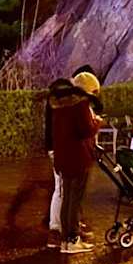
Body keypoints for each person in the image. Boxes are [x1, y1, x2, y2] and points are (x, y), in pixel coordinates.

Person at [43, 63, 96, 249]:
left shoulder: (59, 105)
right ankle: (71, 237)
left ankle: (66, 237)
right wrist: (96, 124)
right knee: (73, 197)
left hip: (63, 155)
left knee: (65, 195)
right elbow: (85, 130)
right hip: (78, 156)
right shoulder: (79, 105)